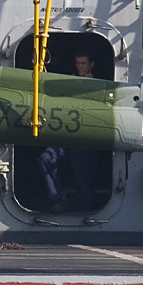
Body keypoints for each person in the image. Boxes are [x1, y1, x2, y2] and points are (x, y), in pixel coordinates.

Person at [39, 52, 101, 212]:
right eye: (77, 63)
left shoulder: (101, 85)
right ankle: (58, 199)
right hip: (66, 136)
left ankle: (84, 209)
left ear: (91, 64)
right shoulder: (69, 82)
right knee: (46, 157)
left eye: (83, 63)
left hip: (87, 139)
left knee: (84, 178)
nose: (79, 66)